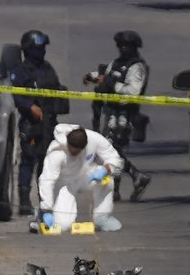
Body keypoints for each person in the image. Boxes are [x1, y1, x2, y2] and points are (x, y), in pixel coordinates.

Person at [83, 30, 152, 202]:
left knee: (111, 150)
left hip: (125, 115)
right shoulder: (117, 62)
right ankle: (118, 187)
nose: (122, 48)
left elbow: (132, 92)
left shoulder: (137, 67)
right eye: (120, 45)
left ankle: (136, 176)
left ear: (134, 47)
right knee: (112, 151)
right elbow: (106, 75)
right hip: (110, 113)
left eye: (126, 45)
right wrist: (93, 77)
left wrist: (111, 84)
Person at [10, 29, 68, 215]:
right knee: (28, 159)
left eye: (43, 47)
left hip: (49, 124)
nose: (42, 50)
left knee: (46, 162)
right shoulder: (21, 71)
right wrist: (30, 107)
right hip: (31, 125)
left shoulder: (47, 68)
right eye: (38, 47)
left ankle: (45, 199)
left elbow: (56, 88)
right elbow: (17, 95)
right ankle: (25, 201)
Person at [35, 125, 124, 233]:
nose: (73, 153)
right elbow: (47, 180)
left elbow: (115, 159)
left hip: (87, 176)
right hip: (65, 183)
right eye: (71, 150)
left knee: (107, 180)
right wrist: (46, 208)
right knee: (63, 225)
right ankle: (41, 214)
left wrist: (106, 169)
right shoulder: (56, 152)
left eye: (77, 151)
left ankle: (102, 217)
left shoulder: (94, 138)